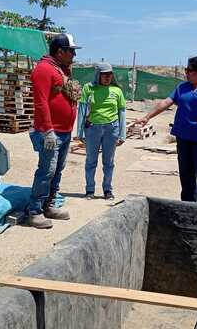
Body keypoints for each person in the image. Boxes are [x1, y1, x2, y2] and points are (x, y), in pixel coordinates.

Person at [137, 56, 197, 204]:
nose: (186, 73)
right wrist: (147, 117)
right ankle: (188, 206)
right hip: (183, 137)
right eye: (186, 70)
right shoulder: (182, 87)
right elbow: (166, 102)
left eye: (189, 70)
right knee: (185, 174)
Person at [26, 34, 82, 229]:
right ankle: (35, 211)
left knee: (57, 170)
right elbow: (41, 102)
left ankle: (48, 205)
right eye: (71, 51)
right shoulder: (43, 70)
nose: (74, 55)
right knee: (46, 170)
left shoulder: (62, 70)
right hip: (50, 132)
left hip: (64, 131)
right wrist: (48, 130)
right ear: (60, 51)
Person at [76, 62, 127, 201]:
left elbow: (122, 112)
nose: (107, 77)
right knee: (91, 161)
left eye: (110, 74)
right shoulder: (88, 88)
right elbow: (82, 110)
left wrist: (122, 134)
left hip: (112, 129)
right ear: (97, 75)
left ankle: (107, 190)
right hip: (93, 129)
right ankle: (90, 190)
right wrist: (79, 132)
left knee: (108, 162)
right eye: (104, 75)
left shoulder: (117, 91)